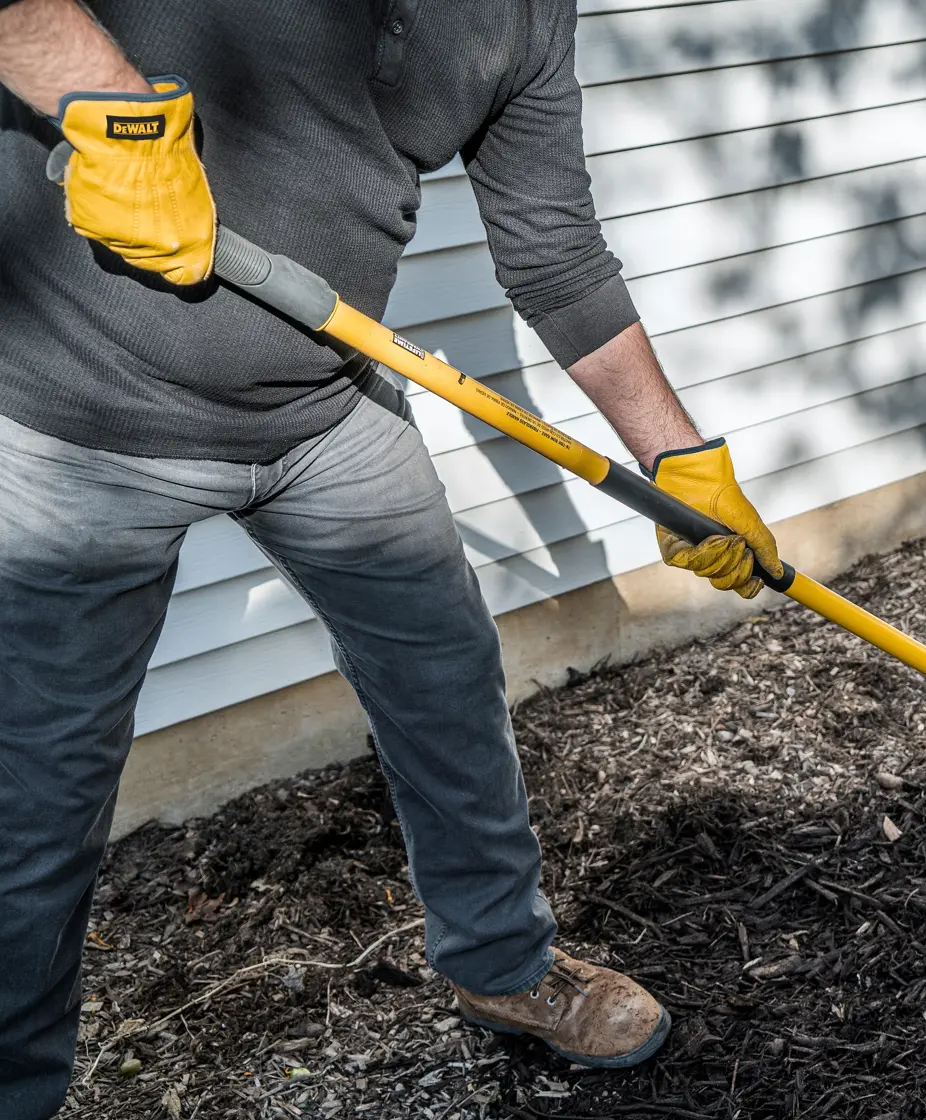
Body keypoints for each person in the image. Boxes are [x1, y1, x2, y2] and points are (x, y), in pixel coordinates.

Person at [0, 0, 784, 1114]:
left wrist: (682, 462)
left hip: (324, 409)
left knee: (445, 683)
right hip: (80, 416)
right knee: (34, 802)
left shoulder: (528, 19)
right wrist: (117, 112)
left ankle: (501, 961)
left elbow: (557, 253)